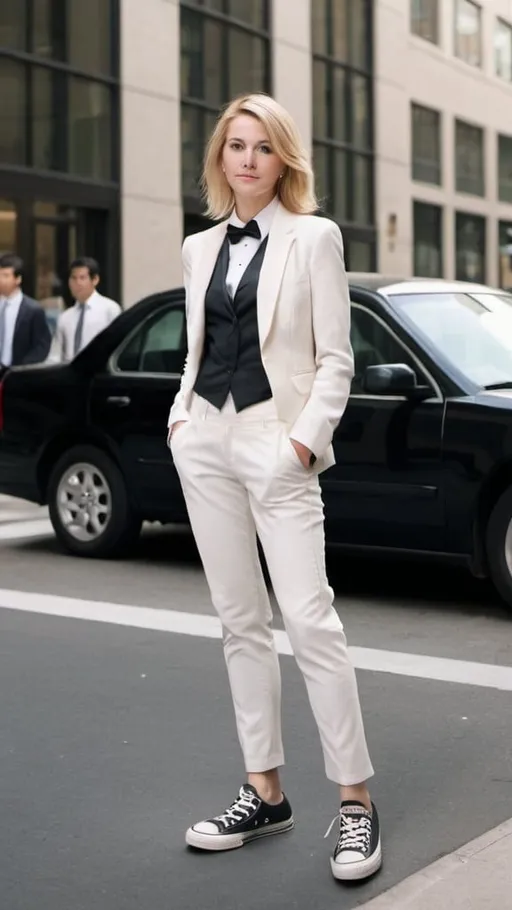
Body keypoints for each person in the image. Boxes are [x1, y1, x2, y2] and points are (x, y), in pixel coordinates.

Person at [167, 93, 382, 883]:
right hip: (208, 442)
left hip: (277, 443)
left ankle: (355, 803)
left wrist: (301, 443)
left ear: (283, 158)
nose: (248, 159)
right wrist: (181, 417)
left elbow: (337, 358)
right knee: (239, 622)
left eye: (262, 147)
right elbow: (196, 345)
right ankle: (265, 791)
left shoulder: (314, 238)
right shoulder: (197, 249)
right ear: (220, 159)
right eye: (235, 146)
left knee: (311, 620)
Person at [48, 257, 120, 362]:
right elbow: (56, 354)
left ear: (95, 280)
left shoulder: (109, 309)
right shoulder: (65, 317)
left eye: (82, 278)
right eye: (73, 278)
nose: (77, 283)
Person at [0, 253, 51, 376]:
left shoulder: (33, 310)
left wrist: (22, 369)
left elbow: (41, 346)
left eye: (5, 276)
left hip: (19, 374)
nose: (0, 280)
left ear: (18, 279)